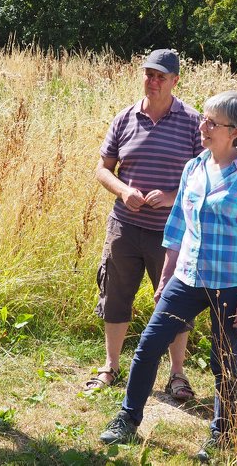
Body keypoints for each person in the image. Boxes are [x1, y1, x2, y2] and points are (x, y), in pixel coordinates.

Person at [99, 91, 237, 463]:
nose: (202, 126)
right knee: (148, 346)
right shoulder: (194, 167)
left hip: (230, 283)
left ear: (234, 131)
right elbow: (177, 227)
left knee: (224, 358)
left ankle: (223, 434)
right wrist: (166, 276)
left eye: (211, 122)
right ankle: (128, 418)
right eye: (203, 119)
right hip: (187, 277)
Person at [87, 49, 202, 399]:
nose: (152, 82)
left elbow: (203, 177)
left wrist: (170, 196)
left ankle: (178, 374)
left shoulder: (193, 122)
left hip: (172, 231)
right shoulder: (125, 118)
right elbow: (102, 168)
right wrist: (123, 191)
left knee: (173, 299)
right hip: (124, 226)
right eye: (148, 74)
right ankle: (111, 366)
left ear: (175, 81)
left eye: (160, 77)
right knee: (116, 294)